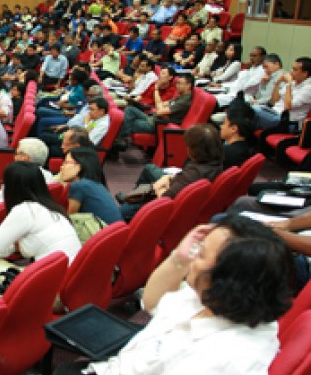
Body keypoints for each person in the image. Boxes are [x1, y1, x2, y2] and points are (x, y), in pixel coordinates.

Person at [61, 216, 292, 375]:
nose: (192, 257)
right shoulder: (213, 297)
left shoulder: (223, 359)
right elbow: (151, 303)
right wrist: (178, 259)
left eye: (200, 255)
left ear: (229, 279)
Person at [0, 162, 79, 281]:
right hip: (69, 279)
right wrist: (16, 246)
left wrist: (13, 246)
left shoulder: (24, 210)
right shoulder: (54, 209)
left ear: (10, 188)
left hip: (49, 284)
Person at [120, 124, 223, 219]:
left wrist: (157, 187)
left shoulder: (194, 173)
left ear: (195, 150)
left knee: (121, 212)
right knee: (149, 168)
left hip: (166, 206)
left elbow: (165, 199)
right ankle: (133, 195)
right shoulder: (216, 162)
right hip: (176, 185)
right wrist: (167, 178)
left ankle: (132, 200)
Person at [120, 72, 194, 139]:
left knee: (128, 122)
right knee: (129, 110)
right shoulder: (181, 96)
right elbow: (160, 104)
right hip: (153, 118)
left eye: (180, 83)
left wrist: (156, 90)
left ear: (188, 85)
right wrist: (161, 108)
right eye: (177, 83)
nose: (177, 86)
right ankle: (122, 138)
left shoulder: (184, 101)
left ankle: (120, 140)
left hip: (158, 125)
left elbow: (159, 111)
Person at [60, 147, 123, 224]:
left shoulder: (78, 186)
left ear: (79, 166)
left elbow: (70, 221)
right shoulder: (95, 184)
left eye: (66, 162)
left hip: (100, 232)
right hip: (113, 232)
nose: (61, 167)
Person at [253, 57, 311, 130]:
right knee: (245, 119)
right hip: (274, 113)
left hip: (288, 122)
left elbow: (288, 106)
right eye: (292, 68)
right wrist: (278, 83)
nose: (291, 71)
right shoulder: (293, 83)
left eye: (295, 69)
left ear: (305, 73)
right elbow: (273, 101)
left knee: (253, 110)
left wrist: (288, 85)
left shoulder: (308, 88)